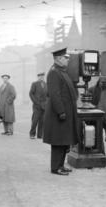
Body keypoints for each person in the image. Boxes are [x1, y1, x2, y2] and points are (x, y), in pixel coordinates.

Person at [43, 47, 79, 176]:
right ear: (58, 59)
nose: (67, 60)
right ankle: (56, 167)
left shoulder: (61, 71)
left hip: (66, 113)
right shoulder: (54, 72)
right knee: (58, 142)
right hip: (59, 114)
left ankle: (61, 165)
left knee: (64, 140)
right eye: (65, 58)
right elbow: (55, 94)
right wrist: (61, 112)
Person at [88, 76, 106, 158]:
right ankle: (100, 153)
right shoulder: (92, 90)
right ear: (99, 81)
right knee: (98, 137)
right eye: (103, 82)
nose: (104, 85)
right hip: (97, 118)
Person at [29, 72, 47, 139]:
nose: (41, 77)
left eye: (42, 76)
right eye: (40, 76)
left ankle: (40, 135)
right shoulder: (34, 84)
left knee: (42, 121)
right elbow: (31, 94)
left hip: (44, 106)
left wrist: (46, 102)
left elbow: (48, 95)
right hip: (36, 106)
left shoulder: (46, 84)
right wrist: (35, 102)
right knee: (35, 120)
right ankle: (32, 134)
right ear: (38, 77)